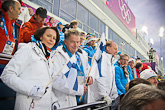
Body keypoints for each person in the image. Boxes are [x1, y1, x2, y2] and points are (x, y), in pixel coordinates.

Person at [1, 26, 60, 110]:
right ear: (40, 36)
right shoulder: (27, 49)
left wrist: (53, 100)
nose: (51, 40)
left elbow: (46, 83)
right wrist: (31, 90)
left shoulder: (49, 57)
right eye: (49, 36)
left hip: (44, 106)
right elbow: (7, 75)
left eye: (54, 38)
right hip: (28, 105)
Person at [51, 29, 93, 108]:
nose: (76, 45)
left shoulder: (80, 55)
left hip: (80, 100)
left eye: (77, 42)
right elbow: (56, 81)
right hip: (64, 101)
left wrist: (90, 76)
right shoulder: (57, 56)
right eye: (72, 42)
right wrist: (79, 89)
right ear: (65, 42)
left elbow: (87, 68)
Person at [88, 41, 119, 109]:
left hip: (107, 99)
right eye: (115, 49)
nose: (116, 51)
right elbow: (99, 77)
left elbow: (112, 80)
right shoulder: (102, 58)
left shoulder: (111, 61)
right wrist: (104, 95)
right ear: (107, 48)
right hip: (99, 100)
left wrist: (114, 93)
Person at [0, 0, 22, 73]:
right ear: (11, 9)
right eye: (19, 9)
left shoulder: (17, 26)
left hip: (8, 66)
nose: (20, 12)